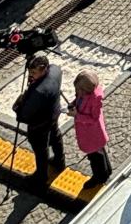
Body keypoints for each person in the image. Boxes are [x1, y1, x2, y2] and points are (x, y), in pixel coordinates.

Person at [15, 54, 66, 188]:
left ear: (43, 69)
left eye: (33, 72)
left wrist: (18, 110)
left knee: (40, 148)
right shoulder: (55, 70)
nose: (31, 75)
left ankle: (41, 176)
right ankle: (59, 161)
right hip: (54, 113)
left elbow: (25, 114)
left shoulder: (39, 91)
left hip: (40, 123)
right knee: (55, 135)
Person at [72, 69, 111, 186]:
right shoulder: (84, 94)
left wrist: (77, 115)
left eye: (79, 90)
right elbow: (78, 100)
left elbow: (93, 119)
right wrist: (73, 104)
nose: (77, 92)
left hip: (92, 134)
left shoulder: (94, 100)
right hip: (91, 133)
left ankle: (99, 178)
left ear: (87, 89)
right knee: (100, 152)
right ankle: (107, 171)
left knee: (95, 157)